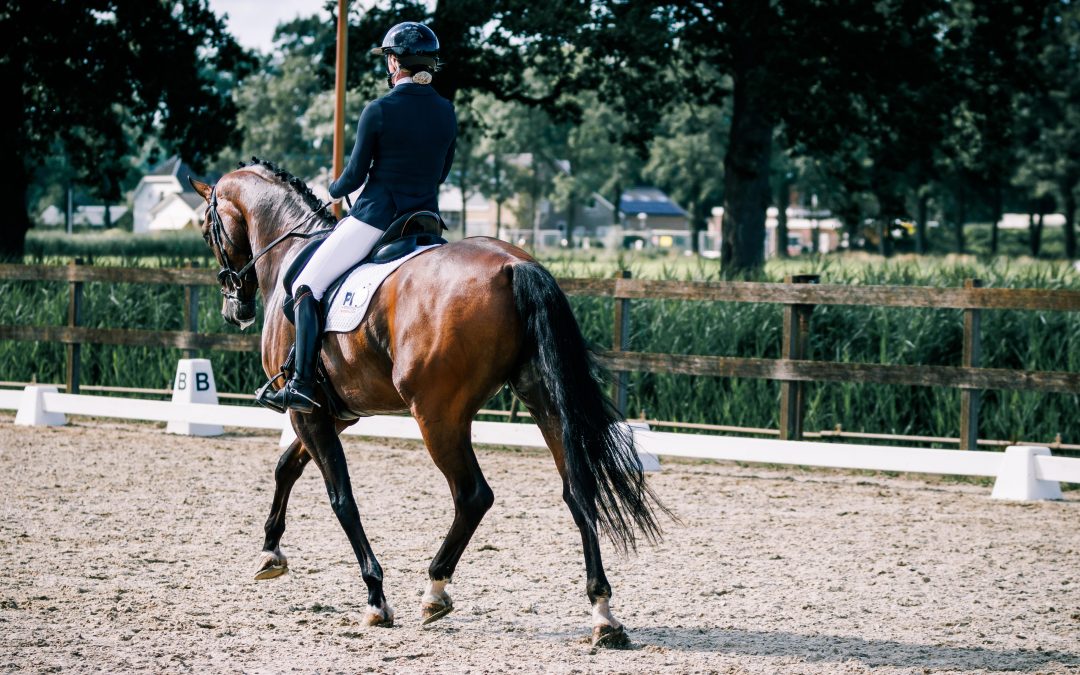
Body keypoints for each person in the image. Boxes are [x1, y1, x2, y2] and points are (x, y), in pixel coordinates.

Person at [261, 21, 457, 414]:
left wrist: (333, 190)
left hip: (376, 218)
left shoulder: (379, 110)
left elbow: (354, 176)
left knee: (305, 286)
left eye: (388, 59)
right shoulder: (446, 111)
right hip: (425, 222)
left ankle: (300, 383)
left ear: (395, 62)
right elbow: (441, 173)